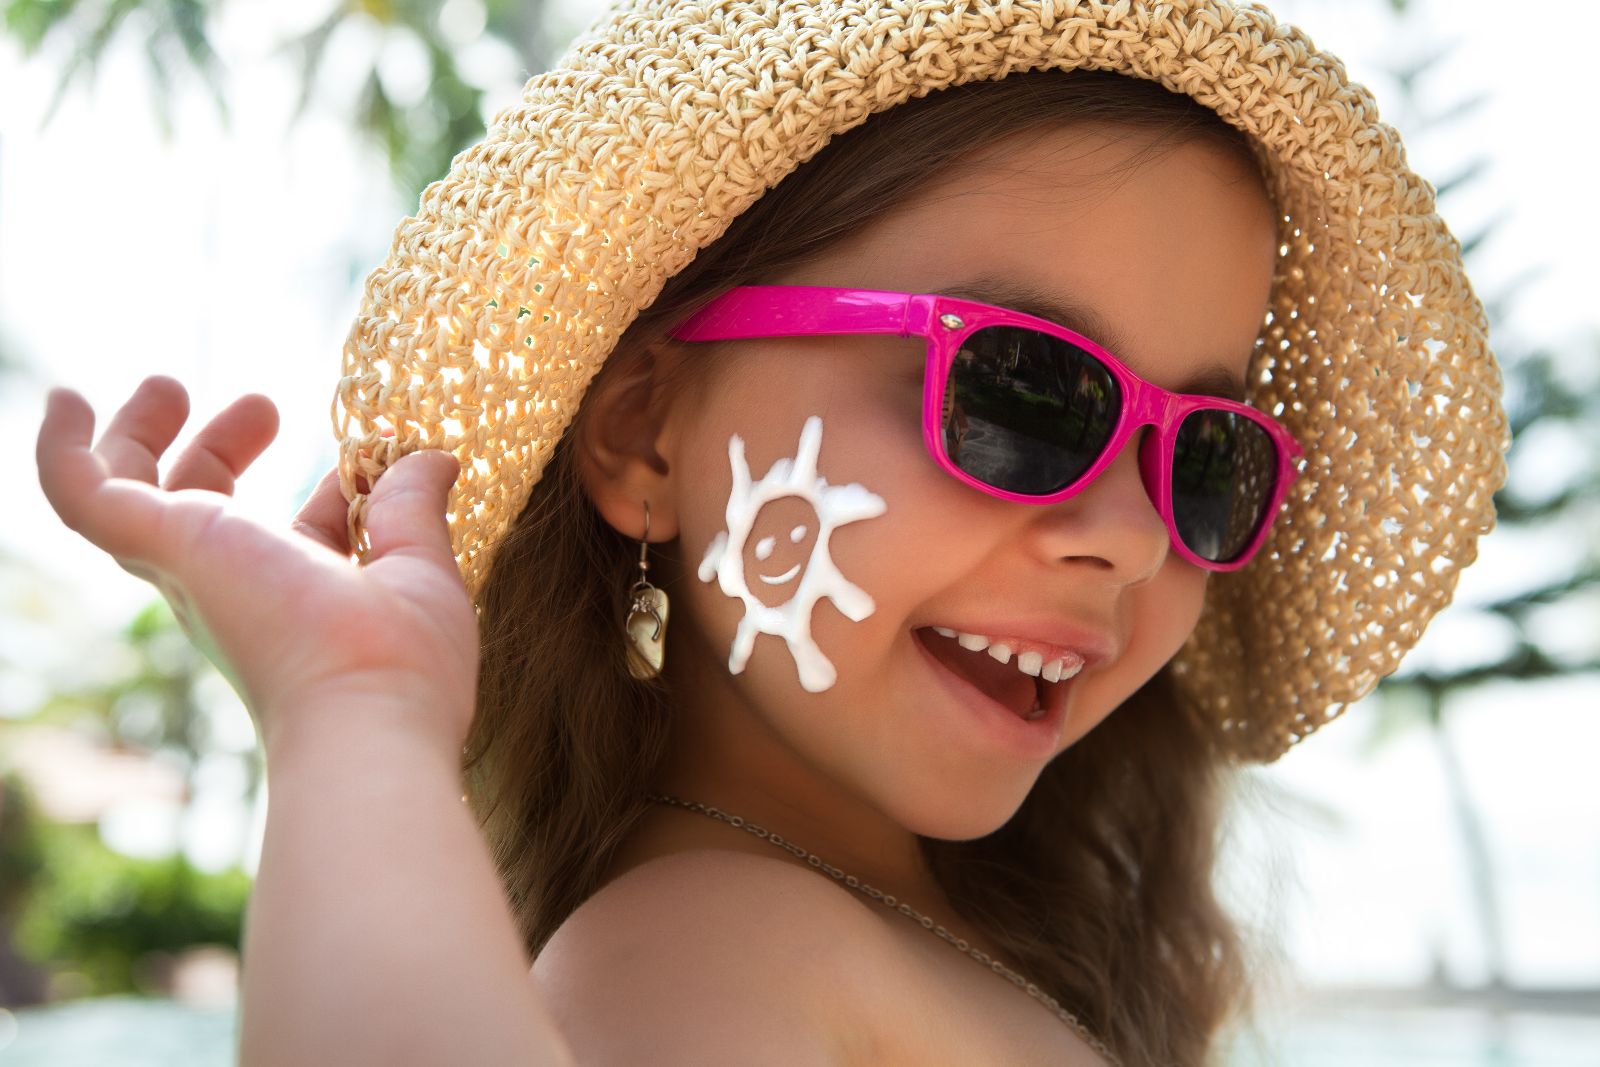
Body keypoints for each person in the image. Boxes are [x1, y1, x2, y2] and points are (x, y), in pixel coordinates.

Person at [33, 1, 1509, 1064]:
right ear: (642, 432)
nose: (1128, 537)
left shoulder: (894, 942)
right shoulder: (710, 944)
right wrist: (353, 712)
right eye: (1025, 394)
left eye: (1209, 460)